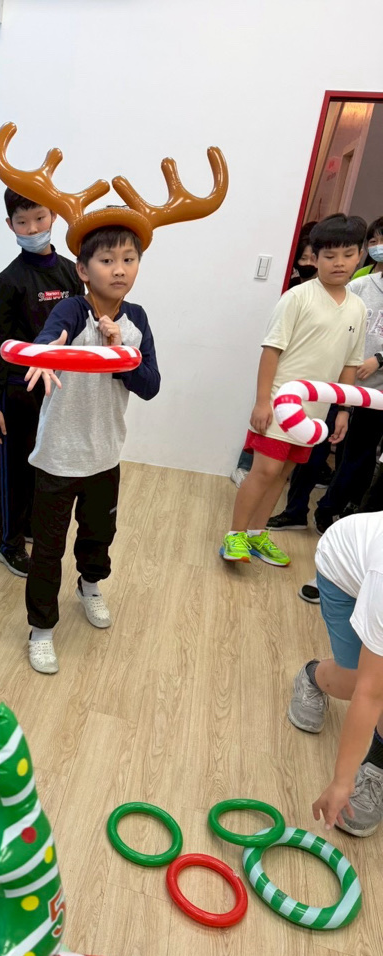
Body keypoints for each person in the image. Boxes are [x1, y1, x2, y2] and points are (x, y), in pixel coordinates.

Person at [20, 224, 160, 673]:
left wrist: (119, 350)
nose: (119, 270)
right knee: (47, 548)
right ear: (82, 269)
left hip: (105, 456)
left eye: (128, 260)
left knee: (99, 535)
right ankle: (41, 628)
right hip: (59, 456)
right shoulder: (71, 311)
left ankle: (90, 585)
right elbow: (50, 339)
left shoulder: (136, 320)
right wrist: (45, 353)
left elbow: (150, 385)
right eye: (107, 260)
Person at [220, 214, 367, 566]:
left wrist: (343, 411)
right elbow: (271, 351)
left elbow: (350, 364)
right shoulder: (297, 297)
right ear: (313, 257)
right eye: (329, 256)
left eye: (348, 254)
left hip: (314, 412)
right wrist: (262, 402)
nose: (339, 263)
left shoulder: (358, 308)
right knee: (265, 471)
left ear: (359, 255)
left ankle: (257, 534)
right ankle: (234, 536)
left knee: (283, 474)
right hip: (279, 404)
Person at [0, 188, 83, 578]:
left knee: (42, 468)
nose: (32, 228)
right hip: (16, 393)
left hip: (56, 391)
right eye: (22, 222)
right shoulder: (9, 280)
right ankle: (8, 544)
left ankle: (25, 527)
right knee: (13, 472)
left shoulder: (73, 272)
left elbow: (81, 330)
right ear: (10, 225)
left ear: (53, 216)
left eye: (39, 218)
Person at [289, 512, 383, 836]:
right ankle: (312, 676)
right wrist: (342, 781)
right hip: (343, 567)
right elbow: (370, 693)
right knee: (361, 681)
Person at [230, 224, 319, 488]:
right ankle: (245, 467)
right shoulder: (292, 291)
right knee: (264, 423)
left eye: (313, 258)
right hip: (280, 370)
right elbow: (272, 346)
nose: (309, 264)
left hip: (309, 379)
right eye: (304, 258)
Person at [309, 216, 383, 532]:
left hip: (377, 390)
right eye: (374, 241)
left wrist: (379, 359)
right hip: (346, 385)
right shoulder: (360, 285)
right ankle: (325, 509)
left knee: (363, 456)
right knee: (341, 449)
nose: (378, 247)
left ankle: (346, 512)